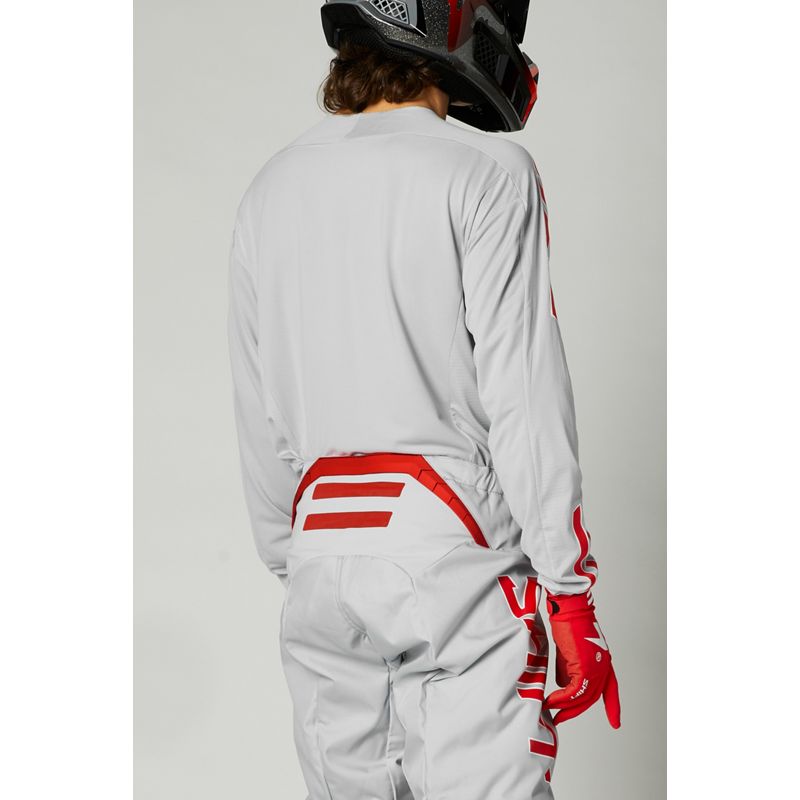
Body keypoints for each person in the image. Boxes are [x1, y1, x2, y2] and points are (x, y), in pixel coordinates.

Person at [228, 2, 620, 798]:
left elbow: (256, 405)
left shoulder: (269, 187)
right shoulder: (487, 172)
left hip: (319, 555)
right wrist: (570, 594)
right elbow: (525, 396)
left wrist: (301, 561)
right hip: (453, 556)